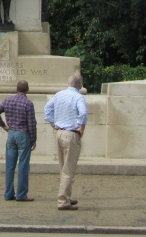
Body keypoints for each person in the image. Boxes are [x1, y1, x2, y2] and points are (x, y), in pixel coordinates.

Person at [44, 73, 88, 211]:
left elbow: (47, 109)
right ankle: (63, 201)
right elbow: (83, 113)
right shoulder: (78, 97)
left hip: (59, 132)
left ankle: (66, 196)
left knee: (63, 167)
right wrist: (81, 127)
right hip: (71, 133)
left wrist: (53, 123)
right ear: (80, 85)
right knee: (69, 169)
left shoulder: (59, 95)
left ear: (69, 83)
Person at [0, 80, 37, 202]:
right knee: (23, 165)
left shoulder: (8, 100)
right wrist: (33, 139)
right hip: (23, 134)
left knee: (10, 165)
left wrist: (3, 125)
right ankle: (21, 194)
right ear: (27, 90)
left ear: (16, 89)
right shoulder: (28, 104)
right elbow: (31, 123)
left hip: (11, 134)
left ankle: (8, 193)